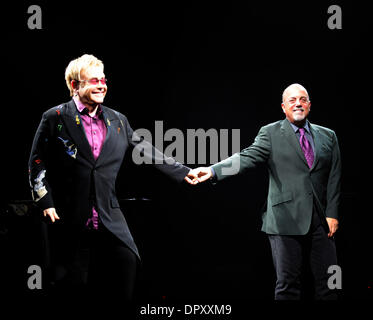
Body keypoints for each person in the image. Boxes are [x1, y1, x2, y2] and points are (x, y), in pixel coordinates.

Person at [28, 54, 197, 302]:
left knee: (125, 273)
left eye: (103, 79)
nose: (101, 85)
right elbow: (37, 161)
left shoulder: (117, 119)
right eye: (94, 80)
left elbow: (146, 149)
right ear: (75, 85)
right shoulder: (54, 117)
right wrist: (45, 202)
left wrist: (184, 172)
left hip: (109, 218)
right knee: (71, 285)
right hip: (69, 217)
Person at [191, 84, 341, 300]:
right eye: (292, 100)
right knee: (288, 285)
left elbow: (335, 175)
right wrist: (214, 171)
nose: (297, 103)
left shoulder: (328, 136)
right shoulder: (270, 133)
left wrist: (333, 213)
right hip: (284, 219)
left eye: (302, 99)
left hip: (321, 221)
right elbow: (246, 157)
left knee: (331, 283)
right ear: (283, 107)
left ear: (309, 105)